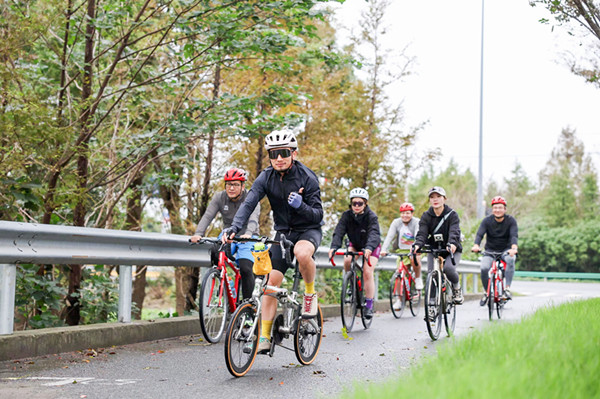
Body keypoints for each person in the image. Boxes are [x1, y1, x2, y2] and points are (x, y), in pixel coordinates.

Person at [222, 129, 323, 353]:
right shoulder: (265, 177)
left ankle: (309, 294)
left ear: (293, 154)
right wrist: (234, 227)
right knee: (270, 286)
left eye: (284, 153)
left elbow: (318, 215)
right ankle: (265, 337)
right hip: (283, 233)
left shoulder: (308, 177)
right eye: (274, 154)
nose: (279, 158)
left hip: (308, 230)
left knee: (302, 253)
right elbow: (248, 204)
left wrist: (302, 206)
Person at [190, 168, 260, 300]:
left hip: (247, 235)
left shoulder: (251, 198)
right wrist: (198, 233)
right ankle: (229, 288)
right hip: (228, 234)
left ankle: (248, 307)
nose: (231, 188)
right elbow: (208, 216)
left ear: (243, 186)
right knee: (215, 252)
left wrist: (249, 233)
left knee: (245, 267)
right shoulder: (220, 197)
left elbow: (253, 219)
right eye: (228, 184)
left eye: (235, 184)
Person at [328, 188, 381, 319]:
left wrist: (369, 248)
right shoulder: (346, 215)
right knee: (347, 260)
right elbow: (339, 231)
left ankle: (369, 305)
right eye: (354, 203)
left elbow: (374, 234)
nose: (357, 206)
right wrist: (334, 247)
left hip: (371, 246)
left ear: (365, 204)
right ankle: (351, 283)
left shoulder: (371, 216)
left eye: (360, 203)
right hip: (355, 244)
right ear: (351, 204)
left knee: (367, 271)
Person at [413, 186, 464, 315]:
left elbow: (454, 231)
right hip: (434, 248)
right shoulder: (426, 216)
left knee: (449, 269)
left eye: (438, 197)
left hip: (451, 249)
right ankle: (431, 305)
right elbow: (422, 233)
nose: (435, 200)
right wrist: (418, 245)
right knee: (431, 274)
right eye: (432, 197)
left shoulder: (452, 215)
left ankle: (456, 288)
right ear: (429, 200)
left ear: (444, 199)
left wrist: (452, 243)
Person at [471, 196, 518, 305]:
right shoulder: (487, 221)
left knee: (511, 259)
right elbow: (479, 234)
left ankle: (506, 289)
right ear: (492, 209)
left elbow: (514, 235)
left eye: (500, 207)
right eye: (495, 207)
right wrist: (476, 245)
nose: (497, 210)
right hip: (490, 251)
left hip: (506, 251)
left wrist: (514, 248)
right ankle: (486, 292)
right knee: (484, 267)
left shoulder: (511, 221)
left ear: (505, 209)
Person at [381, 202, 424, 310]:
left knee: (414, 259)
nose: (405, 215)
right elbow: (390, 236)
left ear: (412, 213)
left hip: (415, 249)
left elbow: (418, 235)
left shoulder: (416, 222)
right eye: (403, 213)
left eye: (408, 213)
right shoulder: (396, 223)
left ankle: (418, 278)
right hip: (401, 250)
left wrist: (414, 247)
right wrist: (384, 249)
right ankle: (399, 300)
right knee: (399, 274)